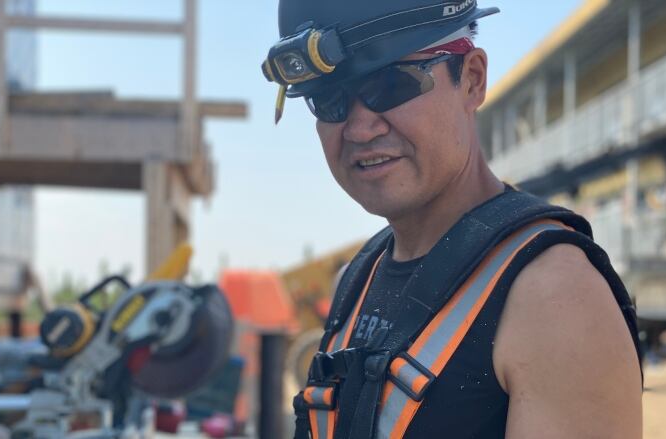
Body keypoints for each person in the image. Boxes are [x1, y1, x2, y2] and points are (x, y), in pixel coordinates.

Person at [263, 1, 643, 438]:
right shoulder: (358, 278)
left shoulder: (554, 299)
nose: (359, 128)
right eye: (328, 100)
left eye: (391, 84)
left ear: (472, 80)